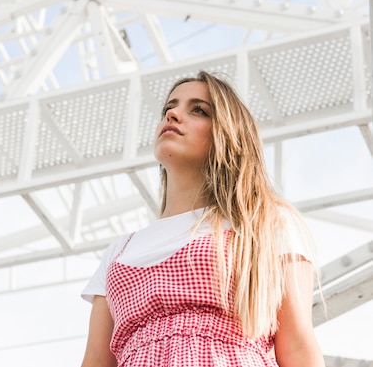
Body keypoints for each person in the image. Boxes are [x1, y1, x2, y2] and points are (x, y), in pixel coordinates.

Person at [80, 70, 324, 367]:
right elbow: (96, 360)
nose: (173, 114)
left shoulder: (263, 225)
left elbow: (298, 347)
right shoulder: (118, 252)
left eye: (198, 110)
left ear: (228, 135)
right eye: (169, 106)